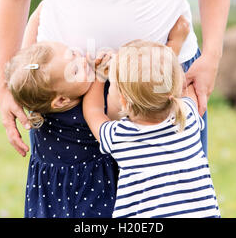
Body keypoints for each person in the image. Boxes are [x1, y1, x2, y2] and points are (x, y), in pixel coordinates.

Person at [4, 17, 190, 217]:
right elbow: (148, 94)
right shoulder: (103, 103)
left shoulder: (39, 106)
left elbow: (34, 39)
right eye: (74, 70)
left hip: (52, 200)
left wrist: (43, 9)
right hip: (93, 200)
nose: (83, 61)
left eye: (73, 53)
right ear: (61, 101)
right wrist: (101, 76)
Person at [82, 40, 220, 218]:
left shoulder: (120, 136)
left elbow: (93, 111)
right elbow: (188, 88)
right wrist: (176, 40)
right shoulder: (187, 117)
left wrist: (99, 76)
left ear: (124, 101)